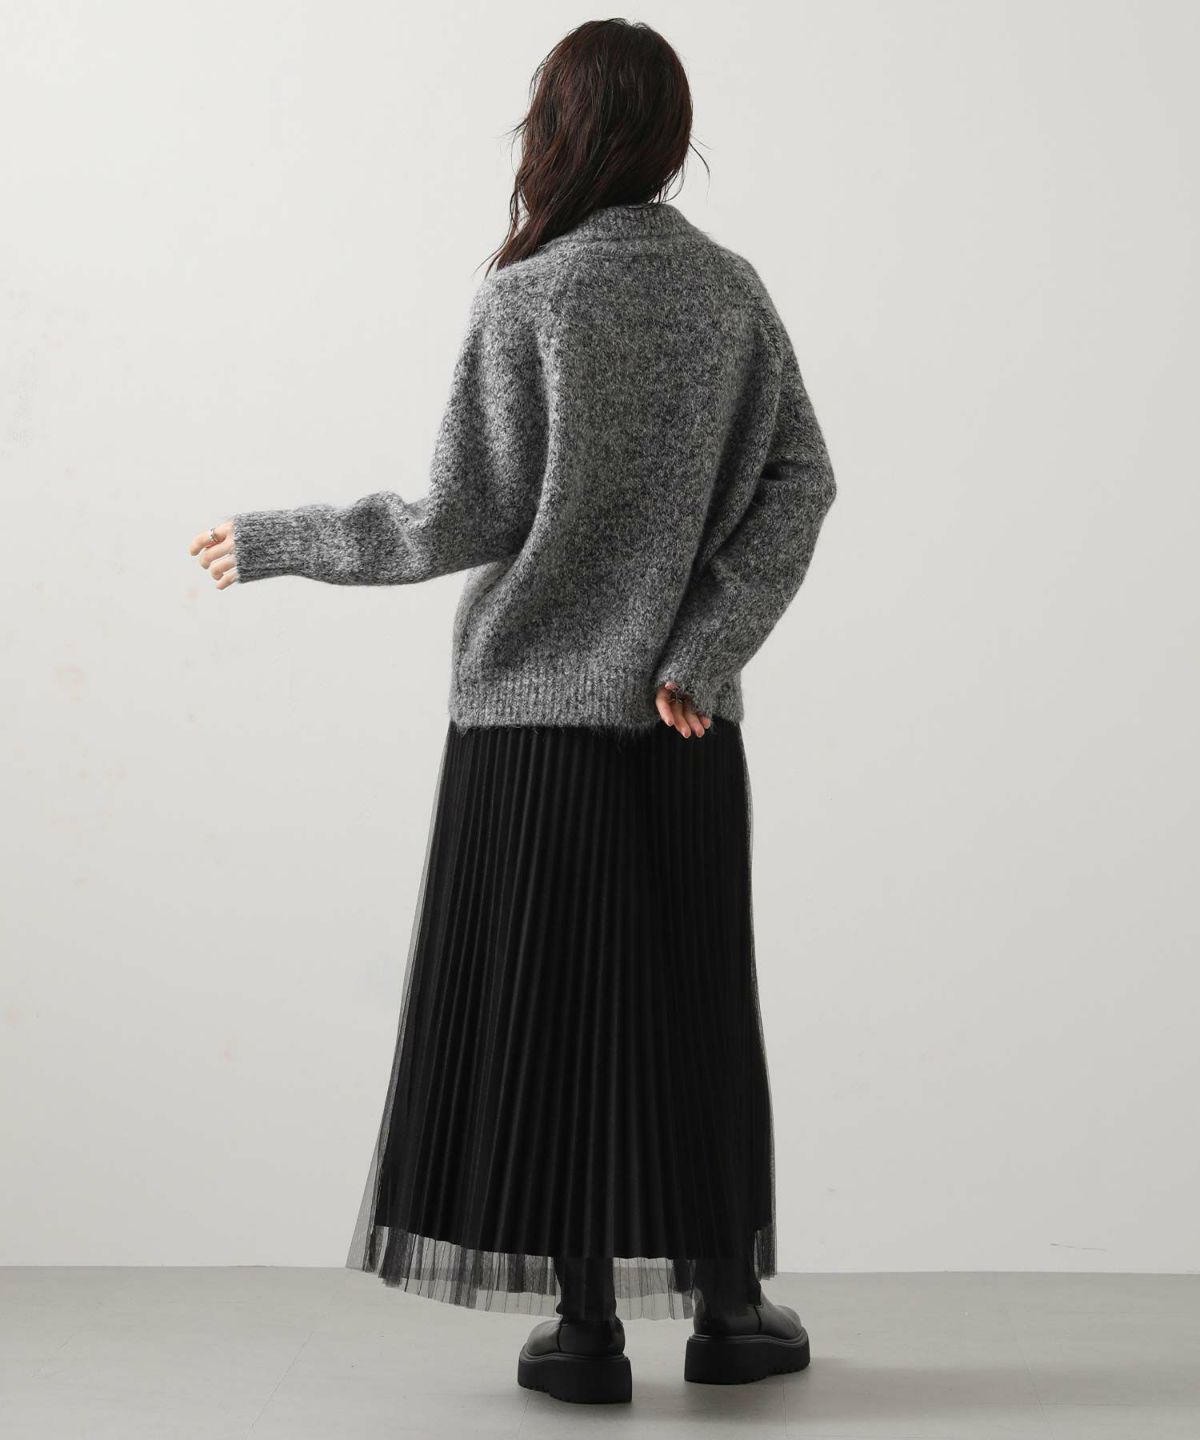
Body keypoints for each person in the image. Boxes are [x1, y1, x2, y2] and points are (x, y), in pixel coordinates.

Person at [189, 17, 836, 1407]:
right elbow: (804, 483)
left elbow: (456, 517)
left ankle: (585, 1331)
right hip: (680, 725)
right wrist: (699, 652)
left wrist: (280, 538)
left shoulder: (529, 297)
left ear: (559, 132)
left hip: (528, 731)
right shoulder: (731, 293)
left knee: (553, 1026)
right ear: (670, 137)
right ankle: (730, 1314)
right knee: (693, 1011)